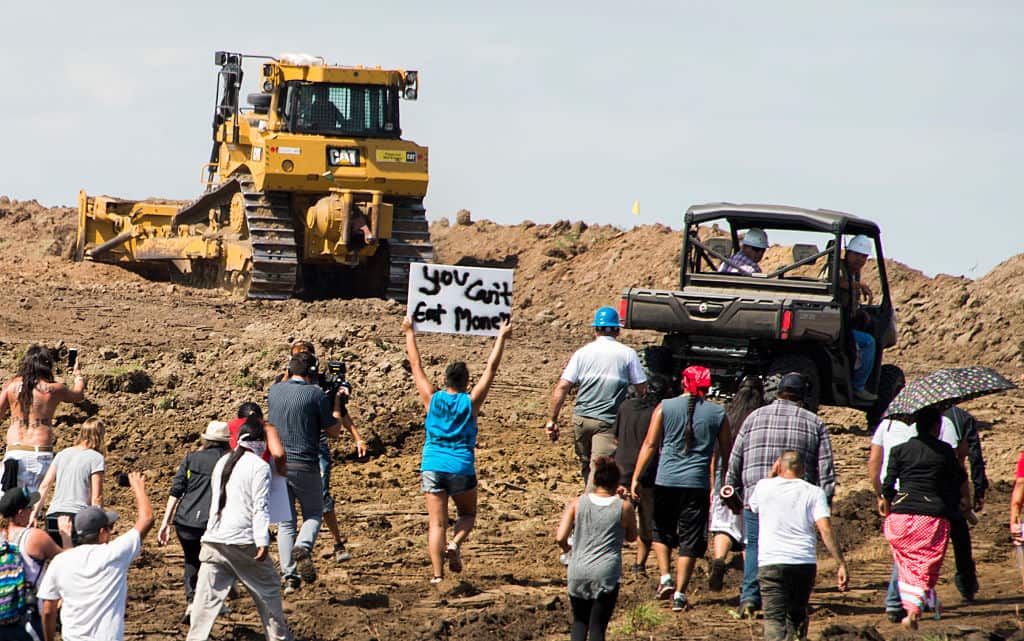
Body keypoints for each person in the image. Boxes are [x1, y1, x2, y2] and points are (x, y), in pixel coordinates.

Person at [403, 316, 511, 584]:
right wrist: (501, 337)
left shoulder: (432, 397)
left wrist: (409, 332)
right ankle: (455, 543)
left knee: (436, 524)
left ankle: (438, 576)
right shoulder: (471, 402)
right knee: (467, 514)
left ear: (444, 379)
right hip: (461, 465)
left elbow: (415, 365)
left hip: (432, 464)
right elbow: (491, 369)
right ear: (466, 382)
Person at [725, 372, 836, 619]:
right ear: (803, 396)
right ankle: (788, 597)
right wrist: (825, 502)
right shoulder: (813, 422)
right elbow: (825, 467)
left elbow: (736, 454)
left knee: (754, 544)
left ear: (777, 393)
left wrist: (730, 486)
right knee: (794, 542)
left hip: (757, 493)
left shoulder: (755, 417)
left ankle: (750, 598)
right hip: (798, 497)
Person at [631, 365, 730, 611]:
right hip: (696, 484)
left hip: (665, 480)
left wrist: (636, 477)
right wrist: (726, 480)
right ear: (708, 387)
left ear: (684, 383)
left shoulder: (664, 407)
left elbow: (650, 445)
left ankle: (664, 576)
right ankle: (680, 593)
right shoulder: (718, 413)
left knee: (661, 530)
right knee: (690, 538)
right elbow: (727, 453)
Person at [186, 417, 293, 641]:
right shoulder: (259, 467)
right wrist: (262, 540)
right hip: (242, 542)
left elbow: (216, 501)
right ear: (260, 442)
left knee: (205, 602)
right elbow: (260, 507)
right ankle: (279, 638)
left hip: (213, 539)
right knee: (269, 589)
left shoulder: (223, 462)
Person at [868, 414, 966, 621]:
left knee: (905, 559)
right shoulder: (944, 451)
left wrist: (885, 498)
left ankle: (900, 604)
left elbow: (889, 481)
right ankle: (911, 607)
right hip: (931, 514)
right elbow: (956, 478)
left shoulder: (899, 450)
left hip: (901, 512)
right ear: (936, 426)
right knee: (925, 563)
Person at [277, 341, 367, 563]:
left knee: (322, 498)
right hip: (298, 448)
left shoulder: (323, 386)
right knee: (300, 510)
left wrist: (357, 436)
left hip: (316, 447)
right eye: (298, 356)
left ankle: (335, 543)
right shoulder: (284, 384)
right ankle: (303, 552)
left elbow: (341, 413)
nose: (302, 359)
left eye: (305, 355)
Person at [37, 471, 154, 641]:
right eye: (109, 528)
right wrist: (138, 486)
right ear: (102, 532)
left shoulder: (60, 561)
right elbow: (147, 519)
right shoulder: (114, 554)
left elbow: (48, 609)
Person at [750, 450, 848, 641]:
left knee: (774, 618)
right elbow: (825, 529)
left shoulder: (763, 487)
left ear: (779, 466)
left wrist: (771, 475)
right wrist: (841, 563)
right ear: (803, 469)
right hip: (803, 563)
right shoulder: (814, 492)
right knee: (797, 615)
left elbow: (753, 506)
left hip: (771, 563)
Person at [267, 351, 344, 594]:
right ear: (311, 373)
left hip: (278, 466)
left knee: (286, 522)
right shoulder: (315, 394)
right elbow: (333, 432)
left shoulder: (274, 391)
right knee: (313, 514)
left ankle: (289, 577)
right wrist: (337, 404)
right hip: (305, 464)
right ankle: (303, 546)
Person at [547, 307, 647, 487]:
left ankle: (589, 500)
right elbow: (642, 389)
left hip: (581, 421)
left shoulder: (582, 353)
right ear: (618, 330)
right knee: (599, 472)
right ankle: (591, 507)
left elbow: (562, 386)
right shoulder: (627, 354)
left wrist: (552, 420)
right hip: (607, 423)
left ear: (595, 330)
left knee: (587, 467)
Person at [156, 421, 232, 623]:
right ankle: (214, 601)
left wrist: (165, 522)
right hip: (214, 522)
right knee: (215, 561)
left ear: (206, 440)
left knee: (191, 560)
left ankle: (192, 602)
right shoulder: (231, 461)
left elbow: (176, 491)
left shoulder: (192, 458)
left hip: (185, 521)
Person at [556, 456, 637, 641]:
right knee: (597, 628)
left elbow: (560, 537)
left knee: (579, 622)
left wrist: (568, 550)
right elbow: (632, 537)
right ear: (616, 482)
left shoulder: (578, 503)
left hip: (578, 570)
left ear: (594, 480)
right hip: (606, 572)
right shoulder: (623, 507)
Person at [1, 346, 86, 492]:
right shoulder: (54, 389)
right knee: (32, 507)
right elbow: (78, 395)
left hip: (14, 451)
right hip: (39, 453)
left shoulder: (11, 386)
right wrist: (78, 375)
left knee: (8, 506)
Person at [708, 375, 765, 592]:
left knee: (724, 522)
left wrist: (715, 482)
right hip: (752, 474)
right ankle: (749, 581)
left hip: (725, 474)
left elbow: (716, 454)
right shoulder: (760, 417)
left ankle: (719, 559)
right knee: (749, 530)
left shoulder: (727, 414)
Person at [613, 374, 670, 576]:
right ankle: (639, 565)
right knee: (647, 521)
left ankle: (612, 559)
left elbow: (616, 436)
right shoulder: (659, 414)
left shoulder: (625, 407)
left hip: (620, 471)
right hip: (648, 474)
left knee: (615, 520)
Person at [0, 487, 72, 641]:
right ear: (20, 513)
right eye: (29, 508)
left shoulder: (2, 538)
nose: (32, 510)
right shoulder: (34, 537)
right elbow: (69, 562)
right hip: (28, 619)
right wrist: (65, 534)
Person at [32, 418, 106, 546]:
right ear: (100, 436)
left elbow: (44, 486)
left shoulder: (62, 454)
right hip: (78, 517)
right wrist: (100, 523)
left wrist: (34, 514)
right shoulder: (96, 458)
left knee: (59, 559)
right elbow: (97, 497)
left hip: (53, 516)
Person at [944, 405, 987, 601]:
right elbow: (974, 456)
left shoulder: (914, 420)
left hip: (920, 491)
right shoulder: (961, 418)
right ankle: (966, 585)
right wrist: (978, 488)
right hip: (952, 489)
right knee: (960, 539)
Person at [838, 234, 877, 402]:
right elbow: (836, 283)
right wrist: (859, 286)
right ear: (848, 253)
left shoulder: (855, 274)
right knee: (868, 342)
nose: (860, 259)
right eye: (857, 254)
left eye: (864, 256)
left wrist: (861, 312)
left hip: (846, 319)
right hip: (836, 322)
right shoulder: (838, 267)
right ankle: (858, 387)